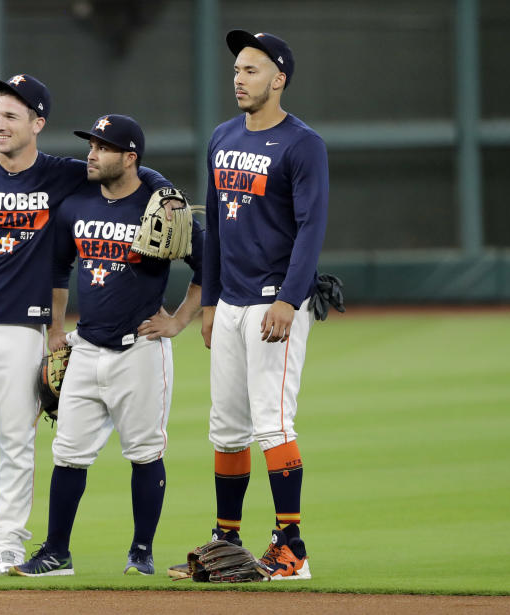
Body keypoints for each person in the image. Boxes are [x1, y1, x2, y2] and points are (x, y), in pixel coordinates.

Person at [0, 75, 175, 574]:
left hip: (22, 330)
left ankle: (9, 540)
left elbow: (128, 168)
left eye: (11, 116)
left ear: (38, 123)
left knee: (17, 441)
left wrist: (167, 192)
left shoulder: (63, 175)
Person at [9, 114, 203, 577]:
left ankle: (141, 551)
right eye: (91, 145)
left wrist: (177, 322)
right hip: (86, 347)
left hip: (140, 350)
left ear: (129, 158)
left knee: (144, 452)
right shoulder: (76, 205)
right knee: (68, 455)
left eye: (103, 147)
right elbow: (59, 268)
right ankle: (56, 553)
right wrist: (57, 330)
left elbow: (207, 266)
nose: (92, 154)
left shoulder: (161, 207)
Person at [190, 30, 329, 580]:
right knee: (226, 427)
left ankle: (291, 546)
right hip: (230, 304)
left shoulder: (302, 143)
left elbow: (311, 227)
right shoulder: (222, 138)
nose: (239, 79)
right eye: (236, 71)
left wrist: (290, 299)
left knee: (272, 422)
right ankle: (227, 542)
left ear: (279, 78)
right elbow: (215, 228)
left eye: (251, 70)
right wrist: (209, 301)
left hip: (277, 301)